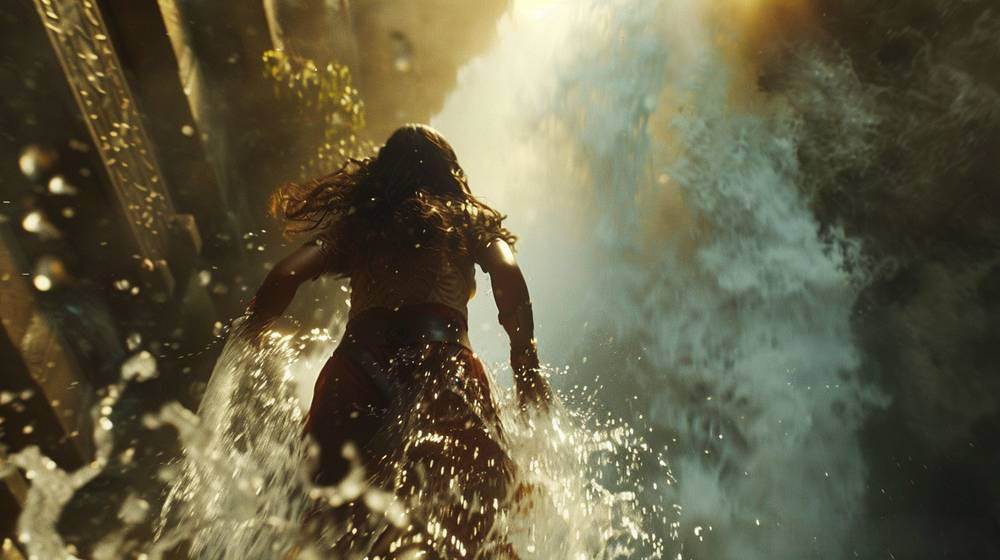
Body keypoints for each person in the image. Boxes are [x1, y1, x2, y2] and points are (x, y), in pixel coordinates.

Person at [244, 124, 552, 558]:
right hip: (441, 366)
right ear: (449, 172)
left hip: (355, 370)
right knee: (479, 520)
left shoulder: (360, 227)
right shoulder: (465, 217)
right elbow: (508, 274)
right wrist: (525, 364)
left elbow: (286, 274)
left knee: (329, 527)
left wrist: (251, 333)